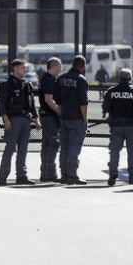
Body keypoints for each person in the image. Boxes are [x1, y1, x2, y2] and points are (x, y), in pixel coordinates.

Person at [0, 59, 41, 185]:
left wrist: (36, 119)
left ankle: (21, 175)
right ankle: (3, 176)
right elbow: (1, 105)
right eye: (23, 68)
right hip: (13, 120)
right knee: (10, 148)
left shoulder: (27, 85)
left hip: (26, 120)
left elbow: (31, 105)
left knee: (23, 149)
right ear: (15, 69)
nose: (25, 70)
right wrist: (6, 120)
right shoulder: (6, 85)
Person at [102, 67, 133, 186]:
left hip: (116, 125)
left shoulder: (111, 91)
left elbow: (105, 108)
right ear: (130, 79)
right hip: (131, 125)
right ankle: (132, 178)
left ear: (119, 78)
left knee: (114, 150)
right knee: (132, 152)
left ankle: (113, 172)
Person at [54, 54, 89, 185]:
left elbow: (58, 101)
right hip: (76, 118)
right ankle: (72, 174)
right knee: (74, 147)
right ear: (83, 67)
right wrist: (84, 119)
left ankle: (63, 174)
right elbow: (83, 102)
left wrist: (62, 114)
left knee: (64, 147)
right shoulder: (81, 80)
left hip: (65, 118)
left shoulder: (61, 78)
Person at [37, 57, 62, 182]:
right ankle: (51, 174)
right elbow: (48, 99)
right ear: (54, 67)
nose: (60, 70)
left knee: (46, 145)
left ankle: (45, 173)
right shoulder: (49, 80)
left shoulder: (44, 79)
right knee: (53, 144)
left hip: (46, 116)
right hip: (50, 117)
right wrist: (59, 111)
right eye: (59, 67)